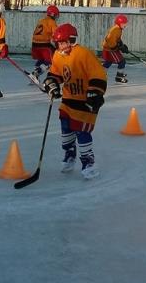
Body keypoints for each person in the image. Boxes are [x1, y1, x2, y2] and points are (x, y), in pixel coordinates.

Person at [42, 23, 107, 180]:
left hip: (85, 102)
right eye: (58, 43)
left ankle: (88, 163)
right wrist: (52, 83)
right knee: (66, 129)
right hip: (68, 99)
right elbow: (56, 73)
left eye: (63, 42)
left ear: (71, 40)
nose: (59, 46)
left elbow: (98, 75)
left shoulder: (84, 54)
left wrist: (95, 93)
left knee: (82, 132)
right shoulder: (58, 55)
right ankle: (69, 155)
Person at [30, 4, 60, 80]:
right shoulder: (52, 22)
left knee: (41, 60)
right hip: (44, 45)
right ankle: (35, 73)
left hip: (34, 44)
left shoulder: (41, 21)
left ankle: (34, 76)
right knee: (49, 62)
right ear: (53, 14)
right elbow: (56, 35)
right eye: (56, 15)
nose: (56, 17)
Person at [101, 14, 129, 83]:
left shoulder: (119, 29)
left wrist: (122, 45)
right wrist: (119, 47)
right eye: (124, 23)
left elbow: (118, 39)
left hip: (111, 48)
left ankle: (100, 74)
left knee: (108, 62)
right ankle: (119, 77)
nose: (125, 25)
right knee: (122, 61)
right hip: (110, 49)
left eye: (126, 23)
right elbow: (110, 41)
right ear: (119, 23)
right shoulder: (115, 30)